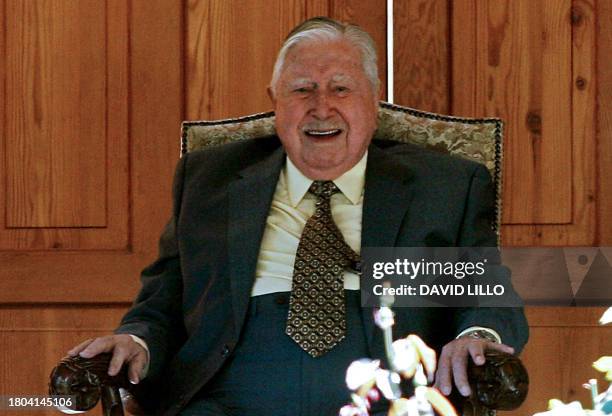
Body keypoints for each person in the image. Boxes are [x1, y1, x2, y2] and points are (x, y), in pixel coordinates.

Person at [68, 17, 528, 416]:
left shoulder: (444, 184)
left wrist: (477, 334)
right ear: (275, 99)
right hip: (227, 398)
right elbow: (163, 300)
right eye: (302, 89)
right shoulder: (211, 181)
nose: (321, 107)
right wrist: (137, 341)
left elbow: (486, 286)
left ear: (374, 98)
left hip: (391, 394)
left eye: (341, 88)